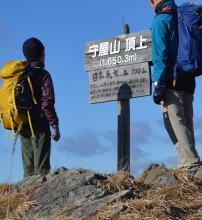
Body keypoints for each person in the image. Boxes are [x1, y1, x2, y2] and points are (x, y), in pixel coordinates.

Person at [149, 0, 201, 173]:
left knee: (175, 120)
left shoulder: (161, 20)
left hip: (171, 77)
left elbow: (160, 55)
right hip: (189, 76)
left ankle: (189, 163)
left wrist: (158, 83)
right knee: (186, 121)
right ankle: (189, 160)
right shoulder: (182, 15)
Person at [20, 37, 60, 178]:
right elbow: (47, 102)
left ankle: (26, 198)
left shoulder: (21, 75)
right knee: (41, 170)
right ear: (41, 54)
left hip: (23, 124)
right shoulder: (43, 74)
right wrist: (54, 125)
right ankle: (40, 197)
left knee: (28, 169)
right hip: (39, 124)